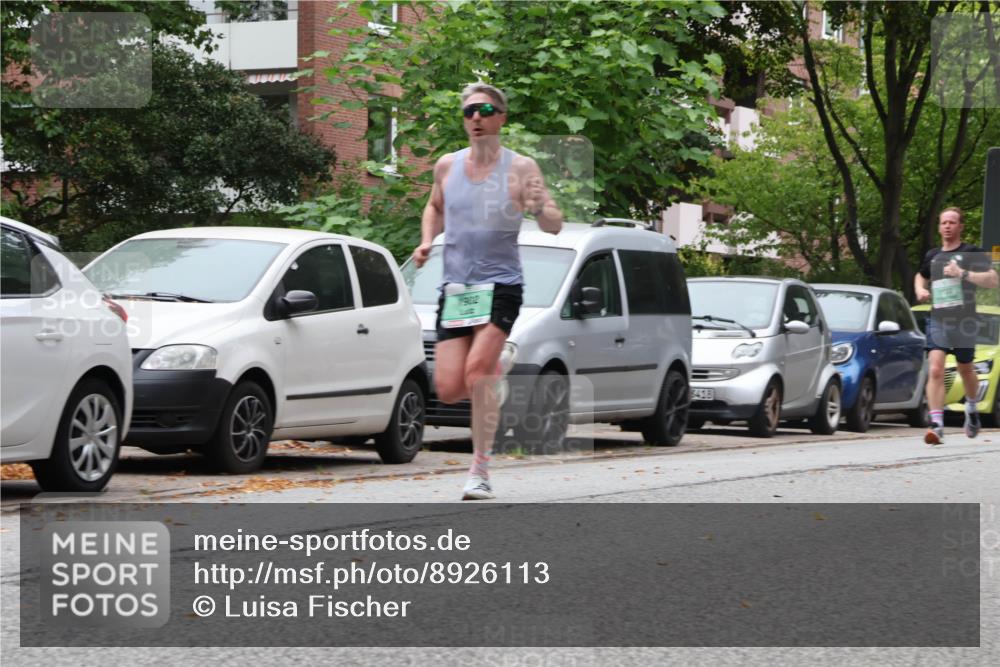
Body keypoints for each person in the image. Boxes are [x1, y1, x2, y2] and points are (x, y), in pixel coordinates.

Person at [411, 83, 562, 499]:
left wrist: (539, 206)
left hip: (501, 284)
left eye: (484, 109)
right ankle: (497, 372)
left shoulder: (521, 167)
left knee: (476, 375)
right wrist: (427, 240)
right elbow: (435, 206)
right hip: (456, 286)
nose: (475, 117)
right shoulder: (446, 166)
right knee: (448, 388)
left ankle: (479, 471)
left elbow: (554, 223)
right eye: (468, 111)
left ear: (501, 118)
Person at [914, 206, 999, 444]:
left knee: (965, 368)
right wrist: (920, 289)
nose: (947, 226)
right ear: (939, 227)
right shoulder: (932, 255)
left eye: (952, 222)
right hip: (939, 318)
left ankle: (971, 408)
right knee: (935, 369)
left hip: (965, 320)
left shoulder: (972, 252)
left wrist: (962, 273)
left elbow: (993, 280)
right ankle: (936, 424)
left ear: (960, 226)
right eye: (944, 223)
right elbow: (921, 275)